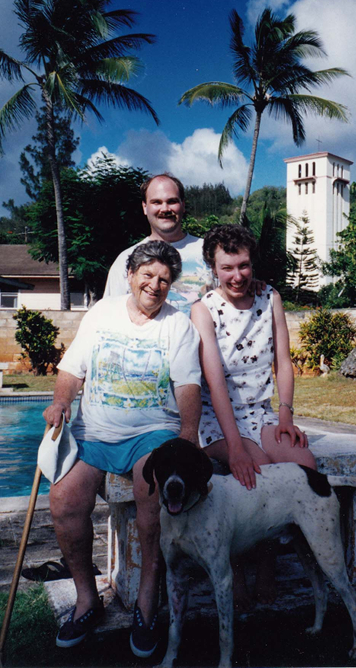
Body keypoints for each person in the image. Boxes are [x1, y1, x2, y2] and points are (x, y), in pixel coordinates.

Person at [43, 241, 201, 658]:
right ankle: (86, 598)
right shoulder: (102, 314)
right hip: (94, 433)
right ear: (130, 276)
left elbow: (188, 385)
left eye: (164, 279)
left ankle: (148, 601)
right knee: (62, 500)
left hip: (153, 433)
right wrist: (61, 401)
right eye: (147, 276)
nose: (155, 285)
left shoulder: (178, 325)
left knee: (151, 500)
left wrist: (188, 432)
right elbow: (71, 369)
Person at [190, 224, 316, 606]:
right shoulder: (204, 309)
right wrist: (235, 447)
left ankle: (294, 557)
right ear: (214, 268)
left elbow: (283, 361)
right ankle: (250, 567)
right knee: (255, 472)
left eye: (243, 265)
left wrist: (286, 417)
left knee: (304, 464)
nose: (238, 276)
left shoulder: (270, 297)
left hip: (260, 413)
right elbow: (214, 383)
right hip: (217, 419)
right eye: (227, 267)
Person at [104, 173, 212, 314]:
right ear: (145, 207)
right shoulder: (126, 259)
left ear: (183, 205)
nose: (165, 209)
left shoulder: (210, 251)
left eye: (172, 201)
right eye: (156, 202)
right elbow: (110, 314)